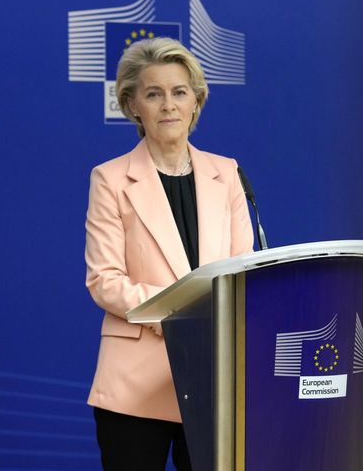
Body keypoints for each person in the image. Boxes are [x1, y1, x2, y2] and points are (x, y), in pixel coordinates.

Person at [84, 37, 252, 470]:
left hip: (214, 376)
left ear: (196, 101)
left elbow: (242, 271)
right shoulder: (110, 179)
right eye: (153, 94)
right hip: (135, 383)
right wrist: (181, 315)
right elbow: (105, 280)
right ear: (132, 105)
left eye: (179, 92)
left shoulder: (227, 172)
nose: (168, 105)